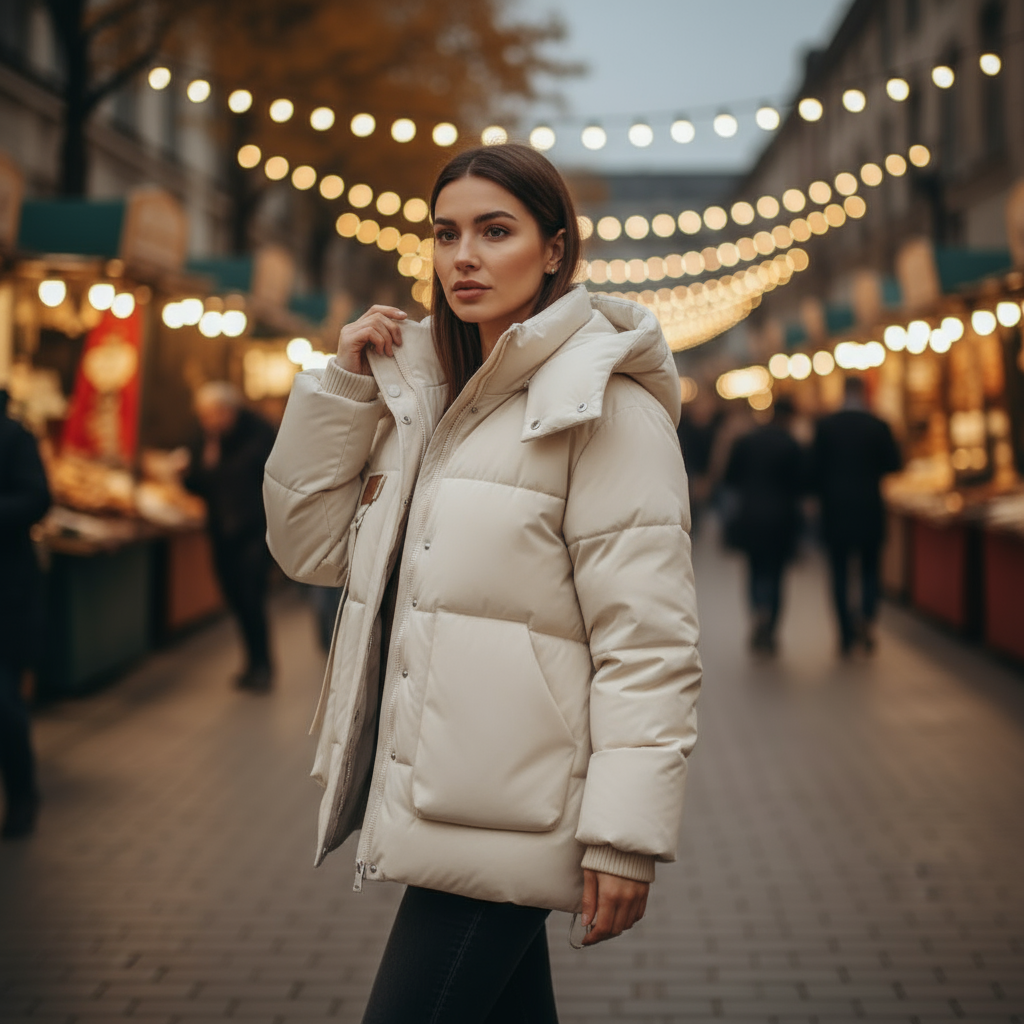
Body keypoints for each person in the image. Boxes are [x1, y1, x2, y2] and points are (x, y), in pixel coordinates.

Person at [263, 144, 702, 1022]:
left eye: (494, 231)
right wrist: (343, 390)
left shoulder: (606, 406)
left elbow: (647, 641)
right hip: (447, 790)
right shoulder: (426, 400)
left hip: (522, 803)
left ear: (553, 250)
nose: (462, 255)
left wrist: (623, 835)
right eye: (446, 233)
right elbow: (312, 552)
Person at [184, 382, 277, 692]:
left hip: (254, 529)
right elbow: (198, 483)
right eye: (204, 416)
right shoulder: (207, 438)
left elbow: (252, 475)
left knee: (251, 597)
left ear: (231, 409)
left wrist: (214, 460)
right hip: (221, 530)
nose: (210, 421)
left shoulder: (260, 432)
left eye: (215, 414)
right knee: (234, 597)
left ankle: (262, 665)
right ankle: (251, 662)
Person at [811, 376, 902, 655]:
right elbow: (895, 463)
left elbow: (812, 471)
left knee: (839, 572)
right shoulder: (878, 425)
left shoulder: (825, 427)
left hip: (835, 510)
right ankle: (866, 616)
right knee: (870, 569)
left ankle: (846, 633)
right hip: (869, 507)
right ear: (864, 393)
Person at [0, 389, 51, 839]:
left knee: (5, 703)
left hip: (8, 592)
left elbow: (37, 498)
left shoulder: (14, 436)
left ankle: (21, 796)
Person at [723, 394, 805, 653]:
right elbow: (801, 485)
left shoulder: (747, 441)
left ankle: (758, 612)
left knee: (755, 570)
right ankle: (771, 627)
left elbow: (730, 478)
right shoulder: (791, 444)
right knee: (778, 574)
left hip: (751, 516)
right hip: (782, 519)